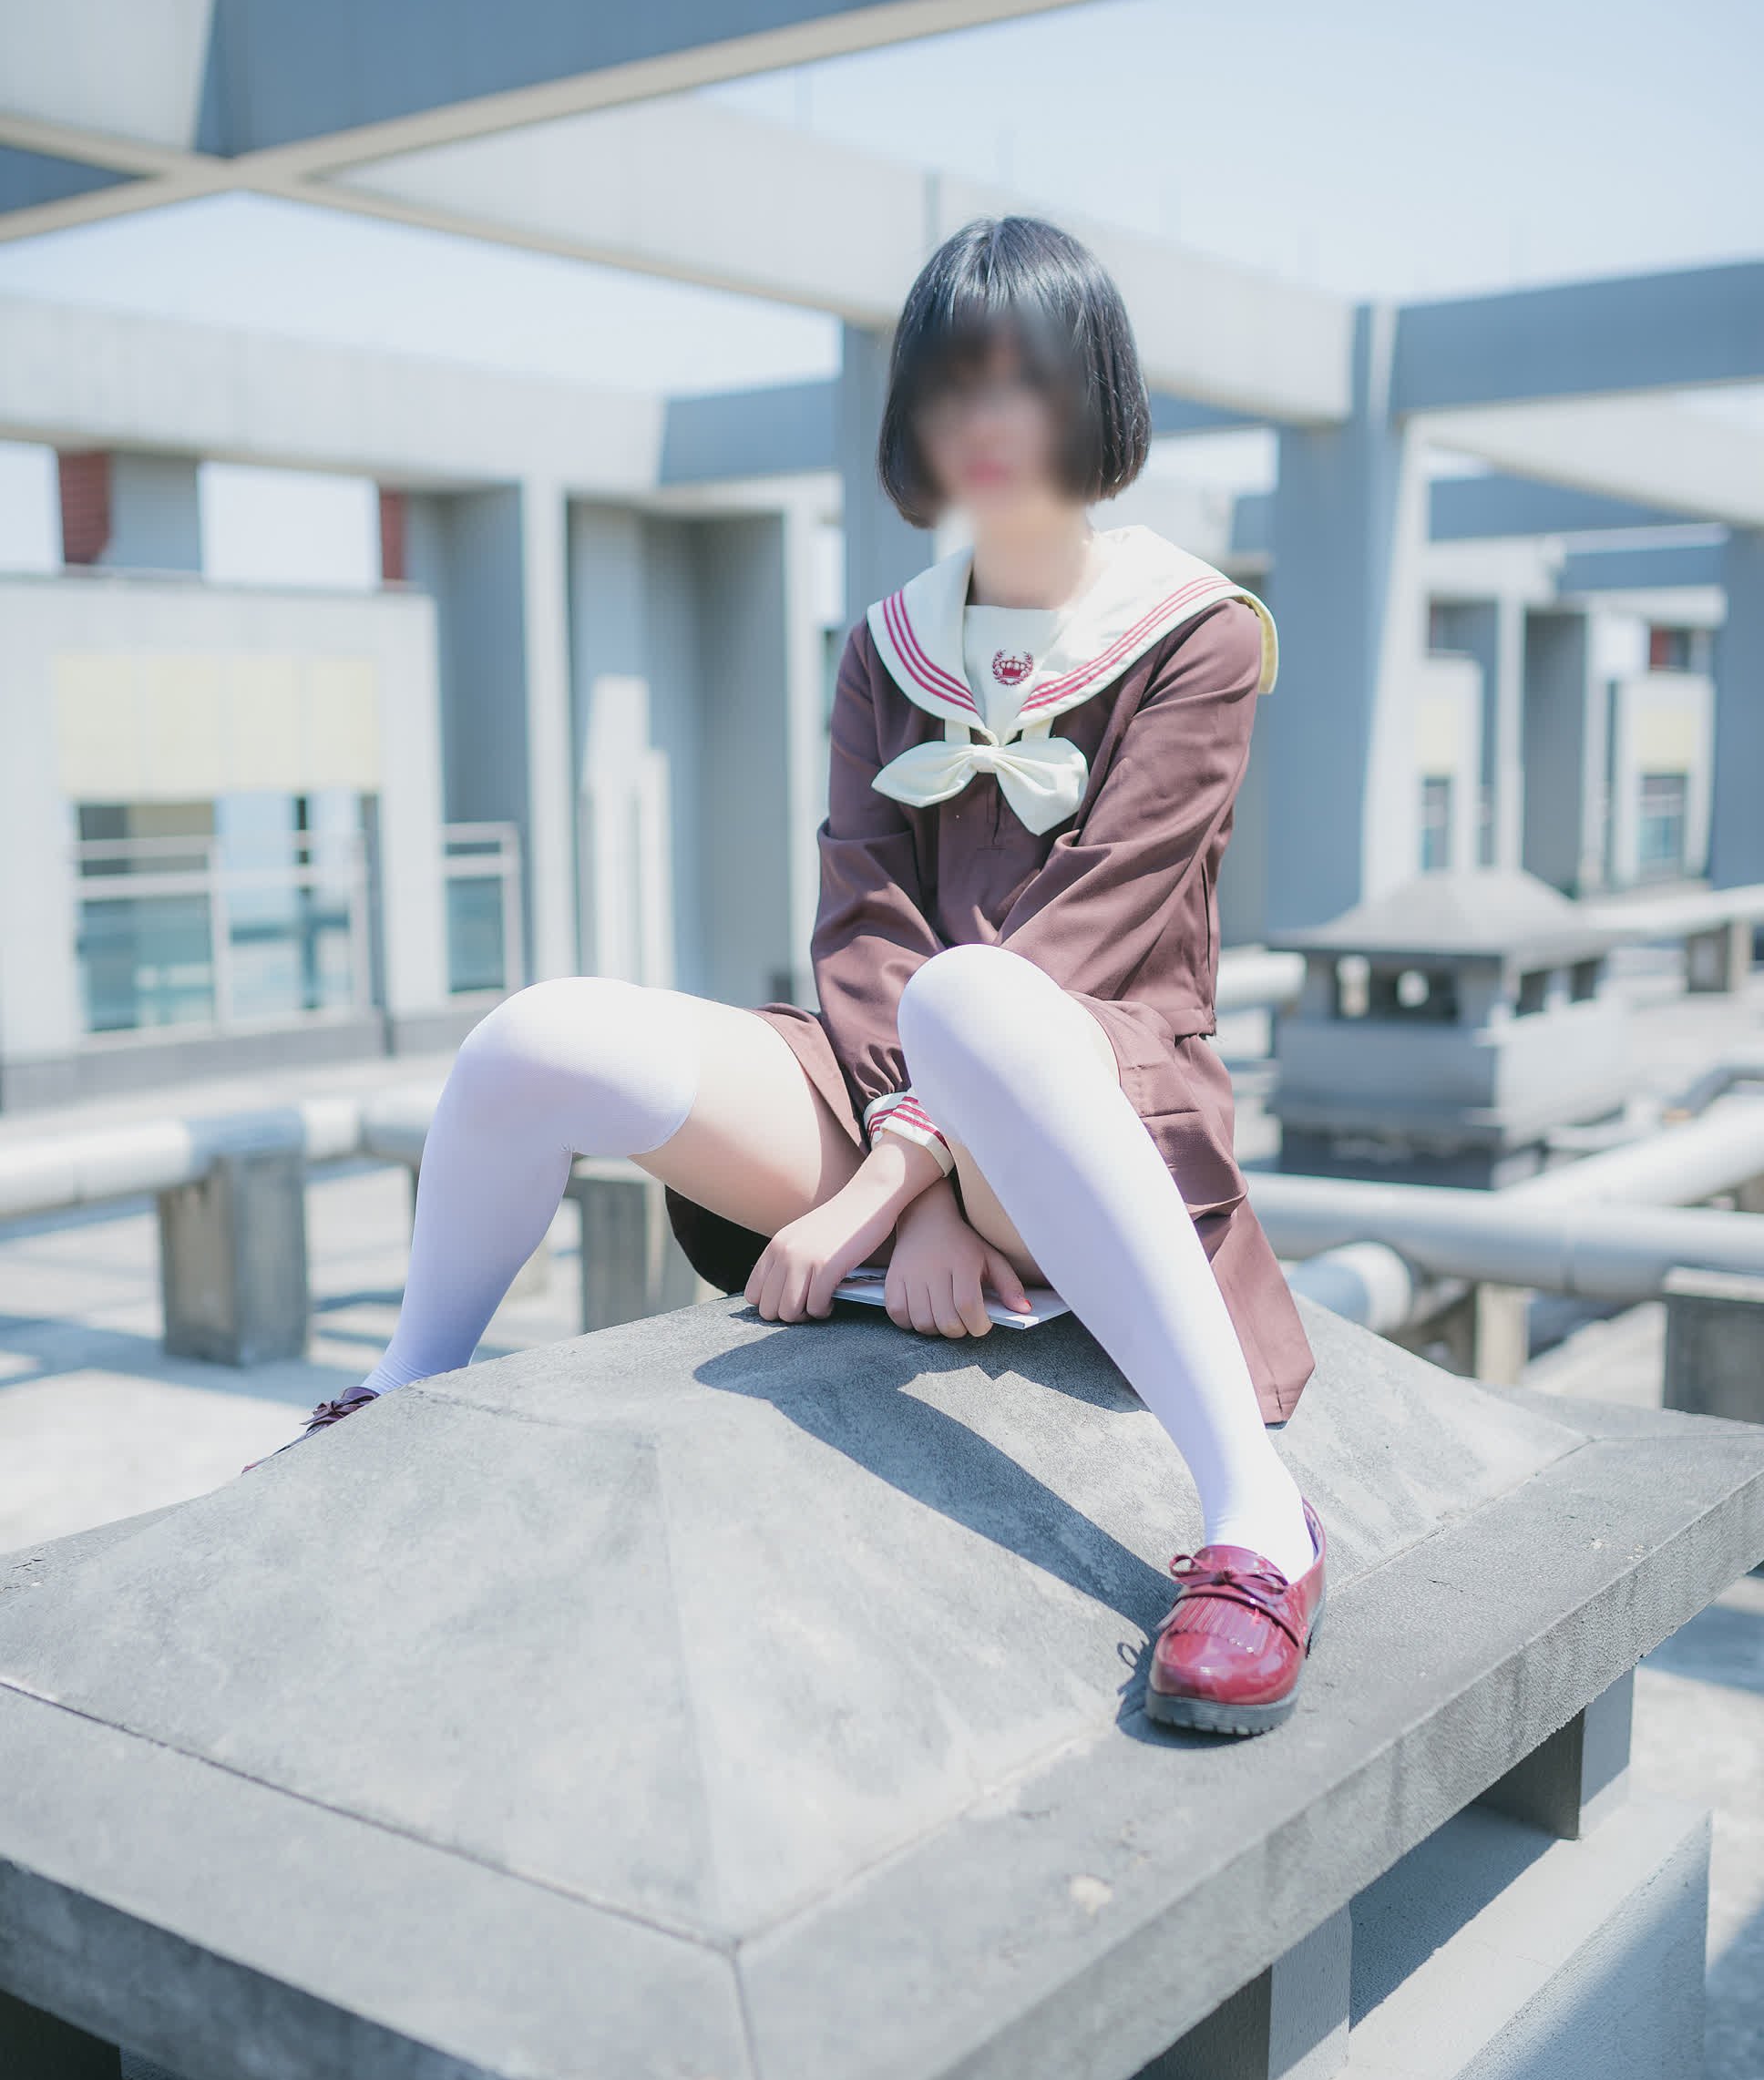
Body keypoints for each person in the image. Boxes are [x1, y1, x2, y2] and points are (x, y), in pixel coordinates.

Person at [273, 218, 1327, 1737]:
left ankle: (1262, 1525)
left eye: (1021, 380)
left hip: (1091, 1097)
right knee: (536, 1037)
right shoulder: (890, 642)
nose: (980, 420)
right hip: (897, 1080)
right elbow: (865, 919)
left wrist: (901, 1181)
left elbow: (1094, 927)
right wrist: (917, 1171)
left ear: (1092, 392)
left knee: (979, 998)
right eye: (950, 384)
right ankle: (403, 1383)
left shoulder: (1198, 634)